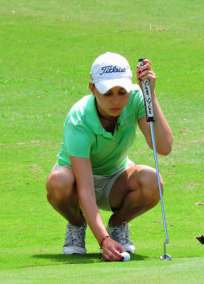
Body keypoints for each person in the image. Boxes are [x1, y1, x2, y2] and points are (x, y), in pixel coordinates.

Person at [46, 52, 173, 262]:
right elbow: (85, 189)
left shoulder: (136, 99)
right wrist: (103, 241)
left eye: (122, 92)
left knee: (152, 181)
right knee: (58, 180)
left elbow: (164, 147)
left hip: (115, 179)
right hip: (76, 183)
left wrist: (150, 94)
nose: (116, 101)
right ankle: (77, 224)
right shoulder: (79, 118)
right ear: (93, 89)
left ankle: (118, 224)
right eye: (107, 93)